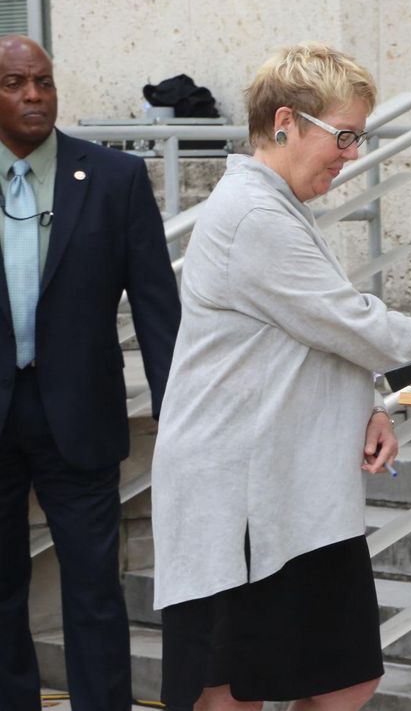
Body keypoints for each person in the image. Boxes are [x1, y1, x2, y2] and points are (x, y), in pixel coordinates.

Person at [150, 42, 411, 711]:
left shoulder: (281, 206)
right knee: (233, 688)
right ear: (287, 121)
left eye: (359, 136)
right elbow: (351, 322)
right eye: (344, 135)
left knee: (343, 674)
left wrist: (372, 404)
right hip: (238, 496)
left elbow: (313, 335)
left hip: (287, 490)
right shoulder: (255, 215)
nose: (352, 153)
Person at [0, 35, 181, 710]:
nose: (33, 96)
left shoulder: (112, 178)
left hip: (79, 414)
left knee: (94, 590)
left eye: (42, 81)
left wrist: (178, 415)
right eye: (16, 83)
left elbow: (159, 310)